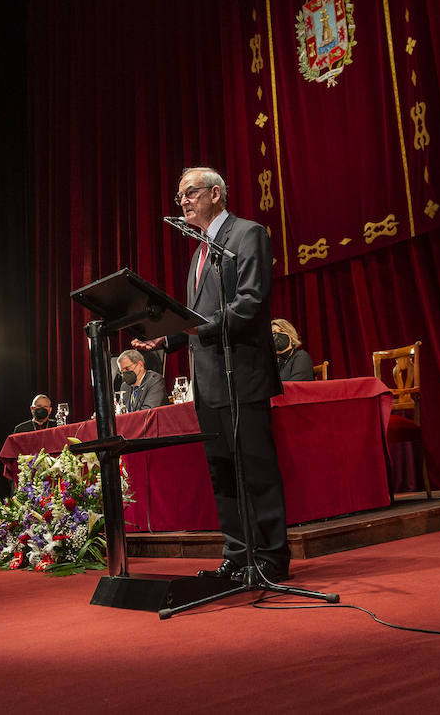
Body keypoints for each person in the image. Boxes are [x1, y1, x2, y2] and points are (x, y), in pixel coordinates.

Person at [133, 166, 289, 581]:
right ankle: (237, 554)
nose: (182, 201)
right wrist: (163, 341)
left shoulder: (247, 234)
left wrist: (191, 328)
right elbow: (196, 320)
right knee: (222, 472)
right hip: (207, 383)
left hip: (244, 376)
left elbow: (252, 303)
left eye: (190, 193)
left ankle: (271, 556)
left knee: (255, 469)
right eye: (179, 196)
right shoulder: (199, 251)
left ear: (216, 194)